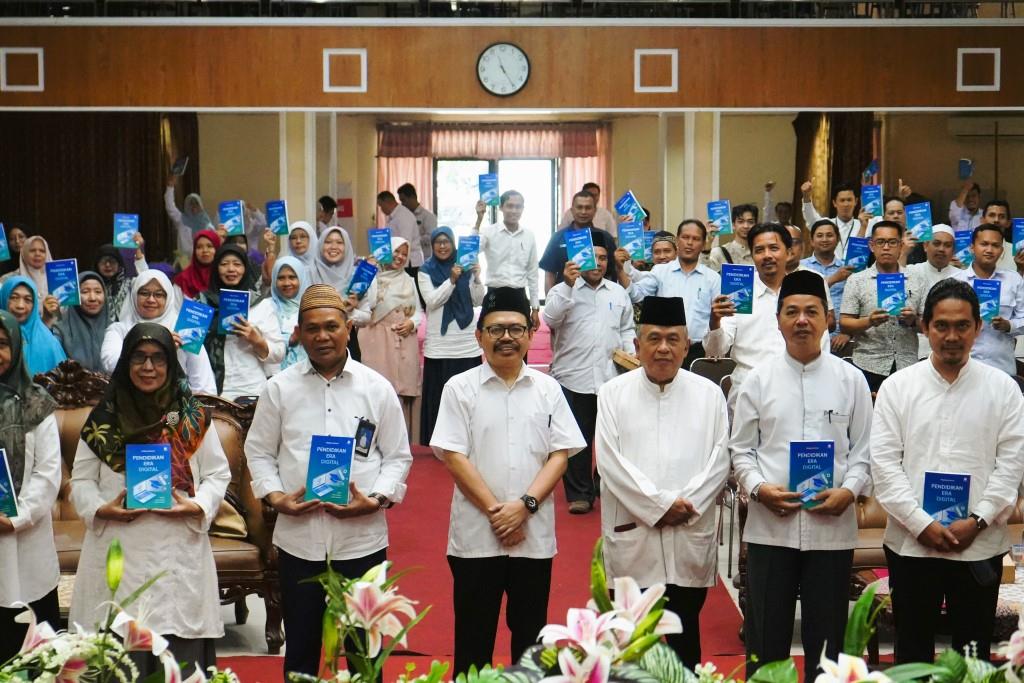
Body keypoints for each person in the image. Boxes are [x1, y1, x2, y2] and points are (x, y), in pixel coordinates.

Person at [245, 284, 412, 678]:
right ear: (299, 334)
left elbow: (398, 456)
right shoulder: (278, 389)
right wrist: (275, 497)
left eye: (331, 326)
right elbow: (259, 453)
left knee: (364, 652)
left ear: (348, 328)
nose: (322, 336)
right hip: (298, 541)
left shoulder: (376, 388)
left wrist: (376, 499)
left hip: (362, 542)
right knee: (301, 650)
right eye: (312, 328)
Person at [431, 287, 585, 675]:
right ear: (478, 335)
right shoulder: (459, 388)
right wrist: (499, 513)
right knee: (472, 638)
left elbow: (560, 454)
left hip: (533, 538)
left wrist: (524, 507)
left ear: (531, 334)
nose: (506, 338)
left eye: (516, 329)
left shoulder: (548, 389)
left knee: (531, 642)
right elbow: (453, 456)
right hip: (476, 537)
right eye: (496, 329)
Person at [871, 278, 1024, 663]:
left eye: (962, 326)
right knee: (912, 653)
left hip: (979, 543)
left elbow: (1012, 465)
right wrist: (920, 522)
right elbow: (885, 465)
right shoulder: (897, 387)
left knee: (972, 655)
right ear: (925, 327)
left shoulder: (1004, 390)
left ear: (978, 327)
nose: (951, 336)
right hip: (911, 544)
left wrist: (978, 520)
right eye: (942, 325)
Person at [730, 270, 873, 681]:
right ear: (778, 320)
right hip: (770, 527)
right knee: (766, 638)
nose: (802, 321)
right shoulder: (757, 381)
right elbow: (740, 450)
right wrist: (759, 489)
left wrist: (849, 491)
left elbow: (865, 451)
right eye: (791, 312)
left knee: (827, 639)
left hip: (831, 528)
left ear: (828, 318)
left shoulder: (852, 381)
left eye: (811, 311)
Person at [70, 323, 229, 677]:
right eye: (139, 358)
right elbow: (80, 480)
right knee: (118, 648)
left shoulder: (190, 418)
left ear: (171, 365)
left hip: (177, 547)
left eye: (158, 359)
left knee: (177, 654)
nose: (148, 367)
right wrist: (100, 508)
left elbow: (218, 475)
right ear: (125, 362)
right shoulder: (104, 420)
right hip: (118, 548)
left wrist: (198, 504)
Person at [594, 295, 730, 669]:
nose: (664, 348)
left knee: (686, 642)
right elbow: (610, 462)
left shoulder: (709, 395)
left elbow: (721, 459)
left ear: (688, 346)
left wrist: (687, 504)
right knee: (634, 644)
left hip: (690, 531)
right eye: (654, 338)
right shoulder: (612, 394)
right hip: (634, 534)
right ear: (637, 346)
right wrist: (660, 506)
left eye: (673, 339)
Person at [543, 233, 635, 514]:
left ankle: (601, 485)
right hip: (573, 376)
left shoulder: (618, 292)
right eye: (592, 258)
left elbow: (627, 328)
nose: (598, 263)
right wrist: (568, 285)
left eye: (604, 258)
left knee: (610, 438)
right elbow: (550, 318)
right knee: (576, 440)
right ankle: (579, 493)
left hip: (611, 377)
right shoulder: (562, 289)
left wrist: (630, 353)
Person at [704, 224, 828, 405]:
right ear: (752, 255)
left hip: (798, 388)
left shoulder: (805, 288)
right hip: (748, 389)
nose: (767, 255)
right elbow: (715, 351)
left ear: (789, 252)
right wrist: (715, 321)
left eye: (774, 248)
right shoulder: (740, 290)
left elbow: (822, 345)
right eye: (759, 250)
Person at [0, 310, 60, 661]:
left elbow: (49, 473)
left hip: (26, 539)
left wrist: (16, 518)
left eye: (2, 344)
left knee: (32, 655)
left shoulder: (38, 403)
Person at [621, 221, 720, 371]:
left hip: (698, 352)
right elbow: (636, 294)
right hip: (665, 349)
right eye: (685, 237)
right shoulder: (660, 272)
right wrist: (620, 268)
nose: (689, 243)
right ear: (678, 240)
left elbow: (718, 318)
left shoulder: (712, 278)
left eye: (696, 239)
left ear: (703, 243)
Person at [418, 227, 485, 446]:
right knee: (440, 396)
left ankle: (469, 438)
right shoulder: (425, 270)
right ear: (433, 245)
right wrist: (451, 280)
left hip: (466, 342)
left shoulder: (464, 266)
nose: (443, 246)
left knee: (469, 395)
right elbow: (432, 301)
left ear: (454, 244)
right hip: (439, 345)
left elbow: (477, 300)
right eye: (438, 242)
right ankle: (442, 441)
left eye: (447, 241)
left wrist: (476, 277)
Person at [102, 269, 216, 395]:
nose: (151, 300)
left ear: (169, 298)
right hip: (129, 403)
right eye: (144, 293)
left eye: (159, 294)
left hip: (176, 405)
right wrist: (163, 347)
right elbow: (110, 364)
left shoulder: (184, 329)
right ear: (134, 295)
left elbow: (203, 383)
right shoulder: (119, 329)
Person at [839, 221, 923, 393]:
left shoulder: (917, 279)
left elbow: (929, 325)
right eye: (880, 242)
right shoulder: (857, 280)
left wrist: (913, 320)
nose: (886, 247)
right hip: (868, 364)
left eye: (892, 242)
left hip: (907, 366)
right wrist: (869, 321)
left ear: (901, 246)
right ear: (871, 245)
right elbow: (845, 323)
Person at [198, 244, 282, 400]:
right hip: (210, 391)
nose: (231, 269)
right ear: (216, 269)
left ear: (246, 268)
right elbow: (189, 349)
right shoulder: (202, 304)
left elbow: (279, 353)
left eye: (237, 264)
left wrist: (257, 341)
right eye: (224, 264)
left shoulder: (261, 305)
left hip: (251, 391)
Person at [358, 237, 422, 436]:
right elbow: (367, 304)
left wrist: (412, 323)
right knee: (377, 391)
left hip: (404, 342)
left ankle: (402, 444)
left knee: (402, 392)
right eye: (396, 251)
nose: (400, 257)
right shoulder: (373, 277)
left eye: (404, 253)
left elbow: (418, 311)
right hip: (377, 340)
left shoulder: (409, 280)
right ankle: (372, 444)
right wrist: (371, 270)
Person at [950, 224, 1024, 376]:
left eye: (995, 245)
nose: (989, 250)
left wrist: (1008, 325)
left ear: (1002, 251)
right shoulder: (955, 282)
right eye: (984, 244)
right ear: (972, 247)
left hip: (1002, 366)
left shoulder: (1014, 280)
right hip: (963, 366)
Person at [472, 190, 541, 327]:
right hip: (495, 294)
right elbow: (469, 251)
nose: (514, 210)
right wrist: (479, 220)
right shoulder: (489, 232)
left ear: (523, 209)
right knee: (492, 342)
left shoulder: (529, 236)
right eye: (510, 206)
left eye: (518, 206)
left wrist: (535, 308)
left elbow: (533, 273)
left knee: (520, 343)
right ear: (501, 207)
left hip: (519, 296)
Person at [540, 192, 618, 292]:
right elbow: (549, 273)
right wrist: (550, 301)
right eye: (579, 207)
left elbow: (612, 271)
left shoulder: (605, 237)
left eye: (588, 208)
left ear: (595, 211)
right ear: (572, 210)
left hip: (598, 297)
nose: (583, 212)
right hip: (565, 297)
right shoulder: (558, 238)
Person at [251, 255, 311, 376]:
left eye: (292, 277)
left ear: (301, 278)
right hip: (274, 377)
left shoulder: (311, 307)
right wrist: (290, 339)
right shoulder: (265, 307)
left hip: (308, 375)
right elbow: (255, 336)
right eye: (281, 278)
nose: (287, 283)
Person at [906, 225, 959, 359]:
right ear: (925, 246)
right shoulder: (911, 271)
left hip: (951, 348)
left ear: (953, 251)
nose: (941, 249)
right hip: (915, 349)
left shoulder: (963, 277)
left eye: (947, 245)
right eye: (936, 243)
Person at [0, 277, 66, 377]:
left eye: (28, 300)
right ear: (3, 299)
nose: (20, 305)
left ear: (34, 305)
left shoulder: (49, 343)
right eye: (14, 297)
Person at [52, 272, 109, 372]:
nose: (92, 298)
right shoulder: (60, 330)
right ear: (75, 295)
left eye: (98, 291)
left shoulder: (114, 329)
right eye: (85, 291)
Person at [802, 180, 861, 260]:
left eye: (849, 200)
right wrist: (806, 196)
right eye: (842, 200)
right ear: (834, 203)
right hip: (827, 270)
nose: (846, 204)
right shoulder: (827, 225)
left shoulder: (863, 225)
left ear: (856, 202)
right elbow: (811, 218)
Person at [95, 241, 149, 323]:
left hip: (128, 331)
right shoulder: (92, 285)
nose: (108, 265)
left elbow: (146, 280)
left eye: (112, 261)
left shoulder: (130, 284)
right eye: (103, 261)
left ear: (119, 264)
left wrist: (139, 256)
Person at [165, 175, 214, 259]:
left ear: (200, 206)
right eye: (191, 204)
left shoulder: (207, 224)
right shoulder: (181, 219)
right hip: (185, 262)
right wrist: (170, 187)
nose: (194, 207)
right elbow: (170, 207)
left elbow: (214, 243)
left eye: (196, 204)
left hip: (204, 260)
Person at [377, 191, 425, 274]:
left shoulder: (403, 216)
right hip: (398, 260)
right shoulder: (392, 216)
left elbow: (406, 242)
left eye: (381, 206)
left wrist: (400, 265)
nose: (381, 210)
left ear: (387, 202)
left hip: (409, 263)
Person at [706, 204, 758, 273]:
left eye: (750, 222)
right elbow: (705, 276)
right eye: (740, 222)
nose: (746, 226)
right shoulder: (719, 253)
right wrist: (706, 246)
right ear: (733, 225)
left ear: (756, 225)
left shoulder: (761, 252)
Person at [173, 229, 222, 300]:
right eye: (199, 247)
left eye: (209, 246)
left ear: (217, 248)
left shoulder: (224, 276)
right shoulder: (183, 280)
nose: (205, 250)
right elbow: (175, 307)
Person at [310, 225, 357, 292]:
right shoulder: (309, 275)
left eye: (339, 242)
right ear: (320, 245)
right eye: (328, 242)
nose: (334, 247)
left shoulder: (358, 276)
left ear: (347, 247)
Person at [398, 183, 438, 260]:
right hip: (406, 258)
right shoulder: (404, 216)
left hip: (423, 258)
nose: (402, 204)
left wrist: (412, 240)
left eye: (403, 200)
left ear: (412, 197)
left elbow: (431, 237)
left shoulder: (428, 216)